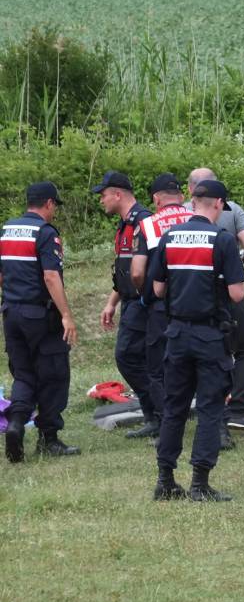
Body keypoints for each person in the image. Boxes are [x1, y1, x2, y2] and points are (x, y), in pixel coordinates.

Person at [148, 179, 244, 501]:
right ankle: (200, 484)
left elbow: (158, 290)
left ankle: (165, 481)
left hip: (176, 334)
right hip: (208, 336)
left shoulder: (170, 236)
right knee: (209, 409)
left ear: (193, 202)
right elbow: (237, 292)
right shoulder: (222, 239)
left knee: (174, 408)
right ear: (218, 204)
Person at [186, 167, 244, 444]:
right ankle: (238, 409)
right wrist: (234, 265)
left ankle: (198, 408)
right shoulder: (234, 210)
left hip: (189, 298)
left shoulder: (182, 214)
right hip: (229, 294)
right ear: (218, 198)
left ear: (190, 190)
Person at [1, 182, 79, 463]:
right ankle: (49, 438)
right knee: (53, 373)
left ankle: (16, 423)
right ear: (48, 203)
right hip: (40, 316)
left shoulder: (8, 229)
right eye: (55, 205)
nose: (55, 211)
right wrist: (67, 315)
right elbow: (50, 276)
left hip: (11, 314)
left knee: (23, 374)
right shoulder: (45, 233)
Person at [129, 173, 194, 440]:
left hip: (160, 306)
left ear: (156, 200)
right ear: (181, 197)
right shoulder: (198, 220)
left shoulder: (148, 225)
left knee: (157, 367)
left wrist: (145, 295)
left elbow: (136, 272)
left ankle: (167, 424)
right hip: (197, 307)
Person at [92, 171, 154, 438]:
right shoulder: (123, 225)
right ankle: (155, 416)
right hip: (129, 300)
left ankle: (160, 413)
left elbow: (149, 268)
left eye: (103, 195)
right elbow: (123, 271)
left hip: (143, 301)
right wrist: (111, 303)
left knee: (127, 356)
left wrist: (142, 298)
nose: (101, 200)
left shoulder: (143, 221)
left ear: (118, 194)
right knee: (140, 359)